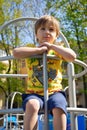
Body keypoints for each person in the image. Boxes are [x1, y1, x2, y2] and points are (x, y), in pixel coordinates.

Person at [13, 15, 76, 130]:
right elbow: (16, 52)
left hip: (55, 92)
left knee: (59, 106)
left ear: (56, 35)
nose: (47, 32)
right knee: (32, 105)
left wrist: (52, 46)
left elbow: (72, 57)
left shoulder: (57, 52)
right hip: (33, 92)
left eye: (51, 29)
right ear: (36, 34)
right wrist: (39, 50)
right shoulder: (31, 51)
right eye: (42, 29)